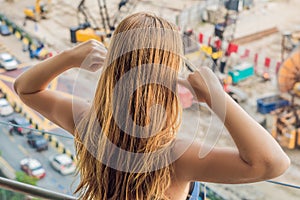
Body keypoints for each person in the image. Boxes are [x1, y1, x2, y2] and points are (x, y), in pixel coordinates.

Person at [14, 12, 290, 200]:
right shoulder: (176, 156)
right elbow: (271, 163)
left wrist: (71, 57)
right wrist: (217, 97)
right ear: (168, 73)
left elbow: (25, 88)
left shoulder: (87, 122)